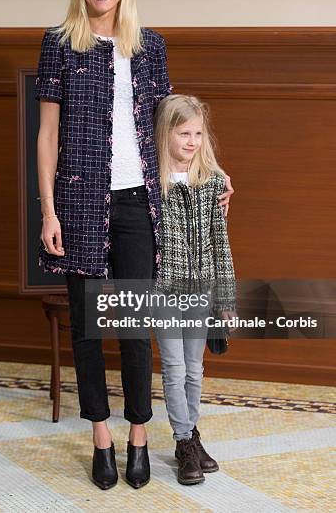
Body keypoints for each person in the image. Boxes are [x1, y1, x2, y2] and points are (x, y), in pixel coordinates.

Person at [35, 0, 233, 490]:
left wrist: (213, 173)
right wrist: (47, 210)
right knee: (88, 329)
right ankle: (101, 437)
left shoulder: (149, 47)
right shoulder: (59, 44)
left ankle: (139, 435)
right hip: (77, 201)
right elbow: (47, 135)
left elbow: (174, 129)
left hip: (139, 204)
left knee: (130, 325)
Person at [153, 94, 236, 485]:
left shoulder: (213, 183)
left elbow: (221, 244)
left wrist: (226, 300)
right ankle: (184, 441)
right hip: (163, 289)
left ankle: (192, 435)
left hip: (201, 290)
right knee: (173, 367)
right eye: (184, 133)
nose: (192, 141)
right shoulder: (151, 185)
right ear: (165, 133)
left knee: (195, 369)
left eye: (199, 133)